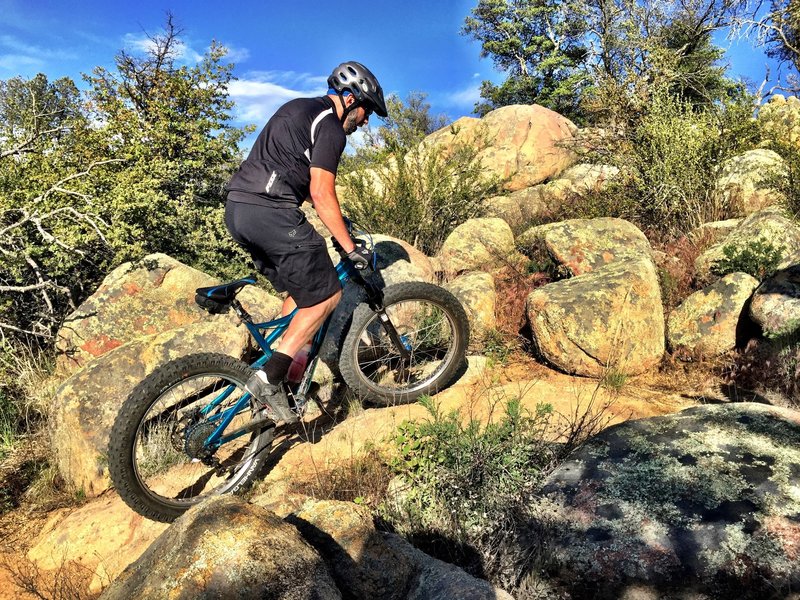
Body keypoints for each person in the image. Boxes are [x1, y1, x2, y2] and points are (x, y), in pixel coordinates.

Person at [224, 61, 388, 424]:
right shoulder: (330, 126)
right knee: (328, 294)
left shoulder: (297, 108)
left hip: (239, 210)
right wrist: (351, 249)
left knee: (302, 295)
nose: (365, 122)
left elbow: (295, 173)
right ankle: (269, 380)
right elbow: (321, 190)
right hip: (270, 211)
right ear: (350, 98)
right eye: (366, 111)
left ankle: (283, 379)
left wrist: (339, 225)